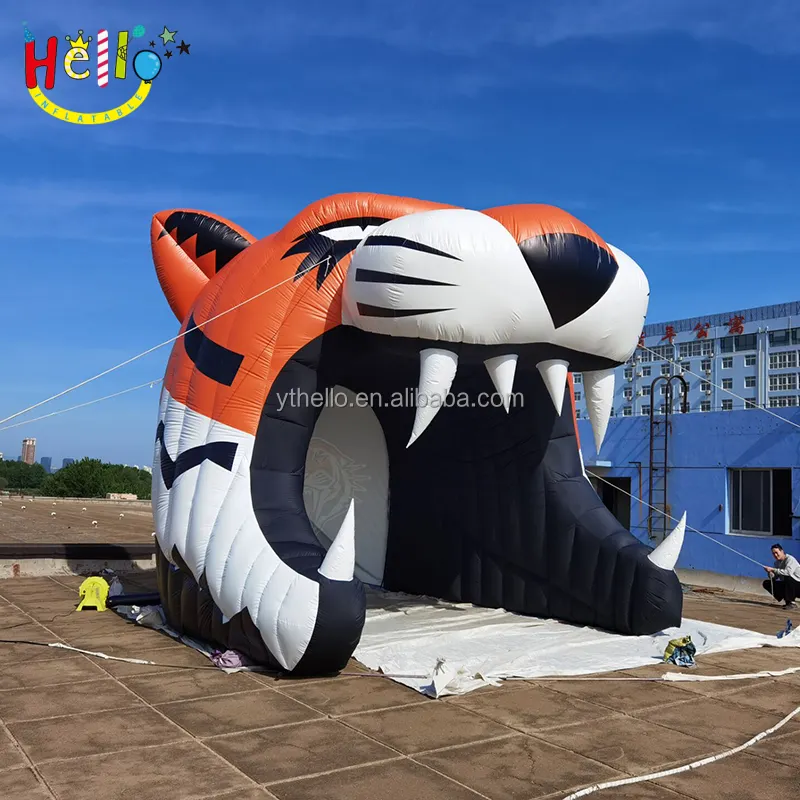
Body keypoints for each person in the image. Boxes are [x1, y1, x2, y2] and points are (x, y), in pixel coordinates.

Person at [763, 544, 800, 609]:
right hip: (789, 586)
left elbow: (788, 572)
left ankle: (792, 603)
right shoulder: (776, 563)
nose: (775, 555)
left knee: (788, 577)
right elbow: (775, 577)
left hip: (798, 586)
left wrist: (773, 569)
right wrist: (770, 573)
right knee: (766, 583)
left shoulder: (790, 559)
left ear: (782, 551)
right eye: (773, 553)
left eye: (776, 553)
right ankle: (787, 600)